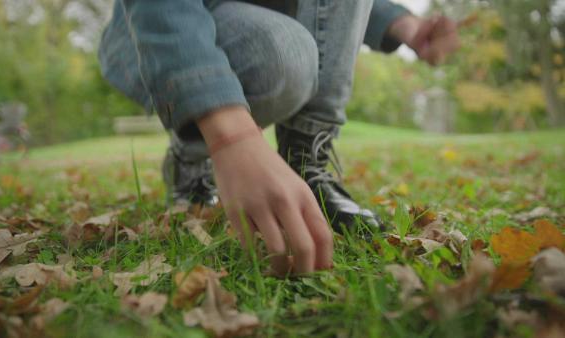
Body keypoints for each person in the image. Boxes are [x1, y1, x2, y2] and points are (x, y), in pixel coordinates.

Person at [98, 0, 460, 276]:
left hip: (269, 30)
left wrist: (405, 24)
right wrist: (229, 134)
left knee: (289, 50)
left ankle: (306, 160)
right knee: (286, 54)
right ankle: (192, 150)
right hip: (157, 29)